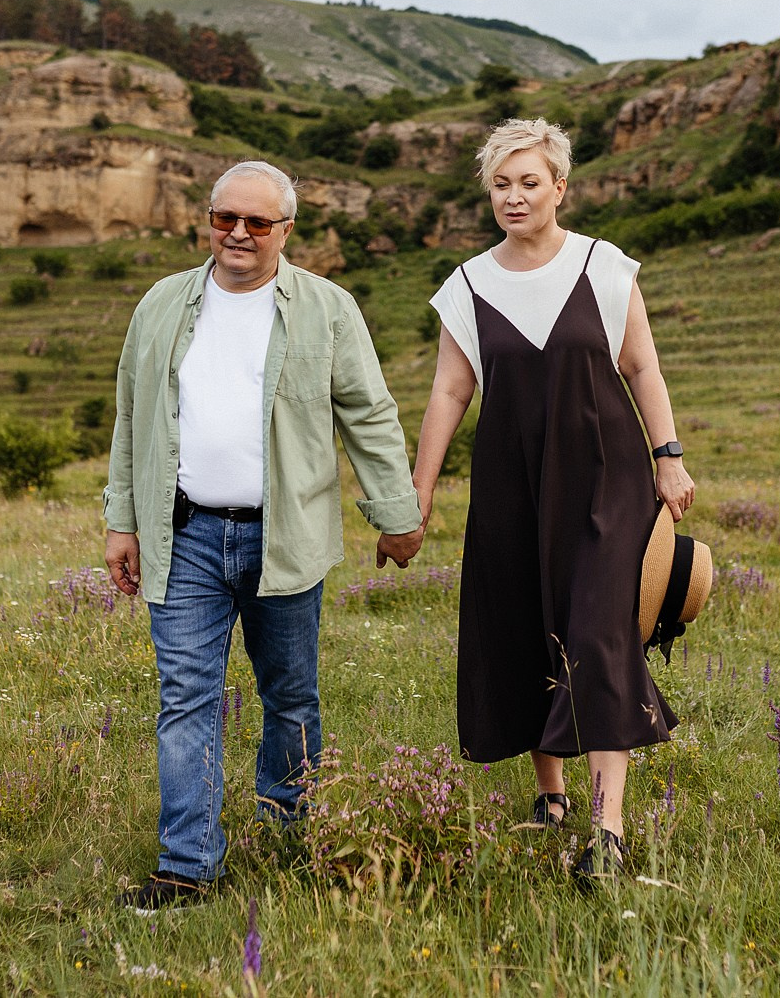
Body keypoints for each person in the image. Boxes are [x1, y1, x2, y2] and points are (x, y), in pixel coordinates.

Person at [103, 160, 424, 912]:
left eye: (257, 222)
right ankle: (187, 865)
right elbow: (129, 412)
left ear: (287, 229)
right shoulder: (159, 305)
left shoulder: (327, 308)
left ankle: (286, 836)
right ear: (208, 219)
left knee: (290, 696)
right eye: (225, 219)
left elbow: (368, 413)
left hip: (285, 538)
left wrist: (396, 512)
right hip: (182, 536)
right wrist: (121, 518)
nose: (238, 234)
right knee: (186, 696)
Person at [409, 118, 696, 886]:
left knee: (599, 631)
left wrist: (669, 457)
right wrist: (420, 491)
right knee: (533, 626)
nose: (513, 196)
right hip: (512, 482)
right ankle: (551, 793)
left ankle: (608, 830)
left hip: (608, 477)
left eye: (529, 181)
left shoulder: (605, 267)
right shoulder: (467, 285)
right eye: (501, 184)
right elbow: (448, 390)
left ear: (560, 187)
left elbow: (642, 367)